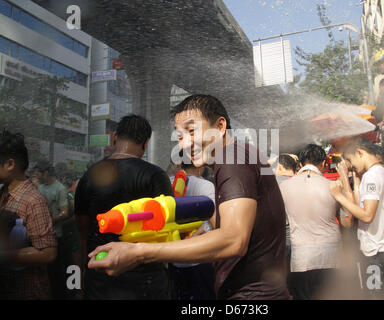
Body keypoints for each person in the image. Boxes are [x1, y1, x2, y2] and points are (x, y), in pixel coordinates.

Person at [88, 94, 290, 300]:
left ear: (220, 126)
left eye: (192, 131)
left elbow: (234, 239)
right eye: (179, 136)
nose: (184, 144)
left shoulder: (232, 157)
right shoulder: (239, 155)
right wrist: (205, 236)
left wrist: (138, 252)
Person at [75, 114, 174, 300]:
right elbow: (168, 224)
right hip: (146, 277)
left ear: (114, 138)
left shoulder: (89, 175)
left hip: (100, 272)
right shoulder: (155, 175)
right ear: (145, 143)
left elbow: (82, 229)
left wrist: (83, 272)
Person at [329, 136, 384, 299]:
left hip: (376, 250)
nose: (352, 167)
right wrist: (355, 182)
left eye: (351, 161)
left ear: (359, 153)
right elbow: (363, 206)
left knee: (376, 294)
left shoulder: (372, 176)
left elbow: (367, 215)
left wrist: (338, 196)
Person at [279, 144, 346, 300]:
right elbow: (347, 222)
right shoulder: (333, 185)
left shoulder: (285, 186)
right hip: (332, 256)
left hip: (301, 257)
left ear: (300, 164)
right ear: (323, 163)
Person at [0, 130, 57, 299]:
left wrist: (3, 256)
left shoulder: (33, 201)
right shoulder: (3, 194)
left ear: (10, 164)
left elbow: (48, 253)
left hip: (26, 291)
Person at [168, 161, 216, 300]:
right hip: (200, 256)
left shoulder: (168, 183)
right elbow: (214, 222)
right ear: (200, 168)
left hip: (172, 256)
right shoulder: (205, 185)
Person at [33, 161, 70, 299]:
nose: (36, 176)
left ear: (46, 173)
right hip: (39, 235)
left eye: (39, 173)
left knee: (54, 271)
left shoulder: (59, 189)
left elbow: (64, 212)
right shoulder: (40, 187)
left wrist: (49, 221)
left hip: (55, 235)